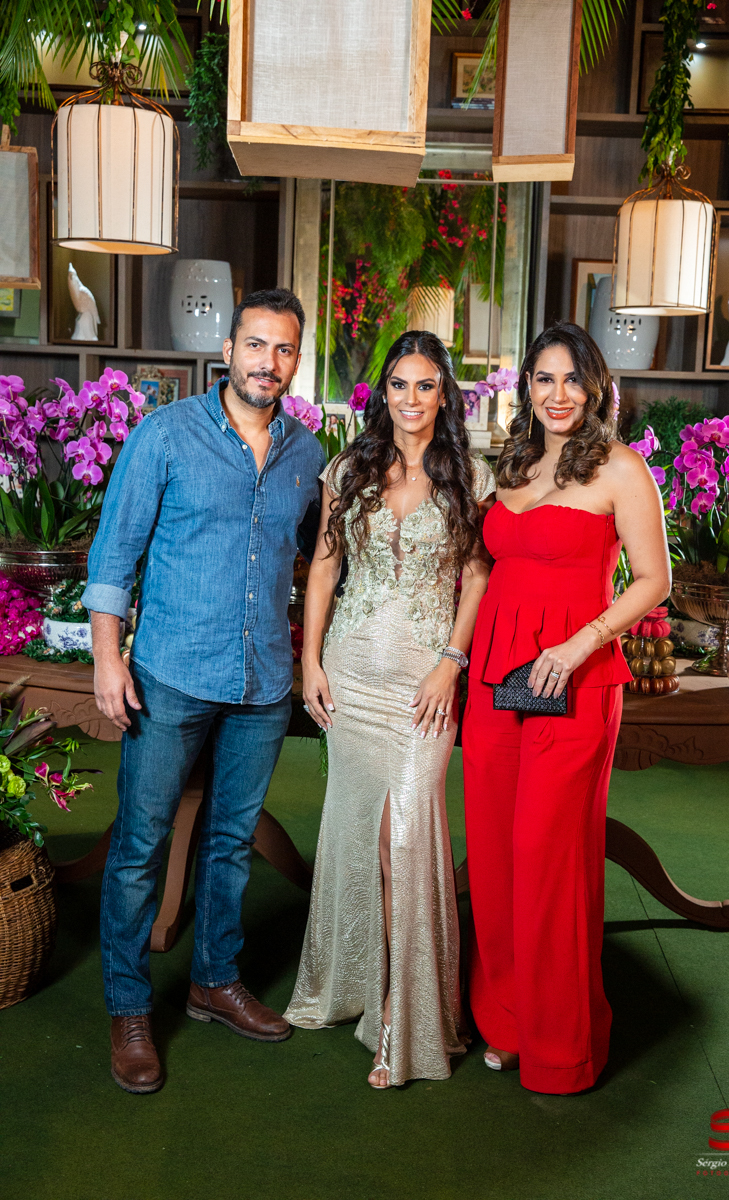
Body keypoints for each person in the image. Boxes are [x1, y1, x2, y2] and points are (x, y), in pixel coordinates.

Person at [83, 288, 326, 1094]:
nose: (268, 362)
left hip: (262, 681)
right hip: (171, 675)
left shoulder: (307, 454)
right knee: (140, 847)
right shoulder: (165, 436)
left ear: (297, 360)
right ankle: (129, 1008)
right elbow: (114, 556)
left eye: (284, 349)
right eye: (255, 344)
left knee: (230, 842)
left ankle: (215, 982)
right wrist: (108, 659)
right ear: (227, 350)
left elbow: (324, 558)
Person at [462, 322, 671, 1094]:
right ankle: (506, 1021)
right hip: (496, 680)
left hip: (573, 681)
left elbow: (654, 580)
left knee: (550, 859)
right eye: (544, 379)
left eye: (573, 379)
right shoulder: (512, 462)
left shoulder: (621, 468)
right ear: (527, 386)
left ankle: (561, 1046)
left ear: (596, 387)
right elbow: (484, 565)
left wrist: (579, 644)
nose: (558, 395)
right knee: (494, 855)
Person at [285, 331, 495, 1088]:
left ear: (445, 395)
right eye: (399, 385)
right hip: (350, 674)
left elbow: (477, 577)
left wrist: (451, 662)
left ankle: (406, 1024)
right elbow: (324, 568)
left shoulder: (471, 474)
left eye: (425, 385)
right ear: (385, 394)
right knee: (355, 836)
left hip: (421, 686)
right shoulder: (349, 467)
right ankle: (357, 992)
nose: (411, 399)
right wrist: (310, 661)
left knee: (404, 839)